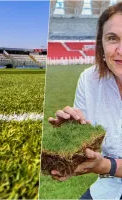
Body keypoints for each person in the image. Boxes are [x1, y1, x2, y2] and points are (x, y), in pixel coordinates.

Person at [48, 2, 122, 199]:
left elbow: (104, 164)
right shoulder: (89, 79)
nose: (121, 50)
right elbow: (90, 145)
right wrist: (71, 137)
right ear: (101, 44)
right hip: (109, 189)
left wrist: (106, 165)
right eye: (113, 38)